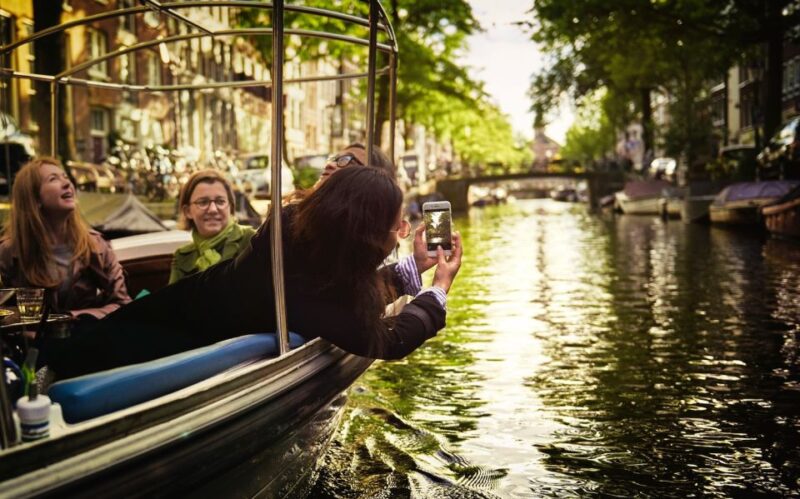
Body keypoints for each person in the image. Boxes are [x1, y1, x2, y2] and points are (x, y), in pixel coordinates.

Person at [43, 167, 462, 378]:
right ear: (363, 234)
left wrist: (414, 266)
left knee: (79, 349)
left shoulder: (297, 231)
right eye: (398, 227)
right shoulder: (308, 288)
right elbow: (387, 339)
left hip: (185, 306)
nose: (404, 232)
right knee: (67, 360)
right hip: (176, 332)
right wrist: (439, 287)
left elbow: (345, 291)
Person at [0, 157, 131, 319]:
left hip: (84, 339)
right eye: (53, 179)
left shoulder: (95, 244)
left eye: (66, 177)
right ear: (34, 198)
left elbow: (123, 304)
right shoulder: (9, 251)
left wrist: (71, 318)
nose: (67, 184)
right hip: (33, 342)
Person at [169, 169, 256, 284]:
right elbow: (174, 301)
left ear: (231, 207)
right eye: (203, 202)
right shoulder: (181, 257)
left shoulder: (251, 240)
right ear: (187, 211)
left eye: (220, 201)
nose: (213, 209)